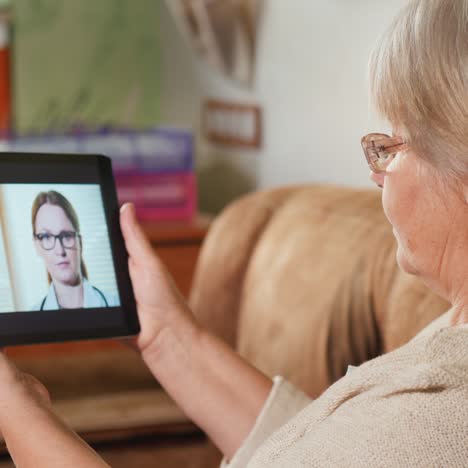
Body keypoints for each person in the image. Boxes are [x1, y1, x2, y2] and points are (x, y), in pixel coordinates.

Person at [0, 0, 466, 466]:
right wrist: (165, 334)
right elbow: (311, 452)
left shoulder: (438, 407)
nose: (377, 174)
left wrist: (16, 404)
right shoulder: (446, 341)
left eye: (390, 145)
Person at [30, 190, 119, 310]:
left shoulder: (115, 304)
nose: (60, 250)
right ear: (37, 246)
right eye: (46, 237)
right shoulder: (31, 319)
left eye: (66, 235)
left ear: (80, 242)